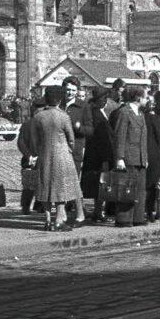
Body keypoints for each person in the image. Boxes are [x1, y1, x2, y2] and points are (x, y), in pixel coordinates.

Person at [30, 86, 84, 231]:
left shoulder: (38, 116)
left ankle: (47, 220)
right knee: (61, 188)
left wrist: (37, 152)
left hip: (44, 155)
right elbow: (71, 138)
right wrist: (69, 149)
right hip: (62, 155)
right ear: (60, 100)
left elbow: (34, 139)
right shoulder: (63, 116)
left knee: (45, 187)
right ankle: (59, 220)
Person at [114, 86, 149, 227]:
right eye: (146, 97)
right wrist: (119, 157)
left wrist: (145, 157)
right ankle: (123, 219)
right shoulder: (124, 112)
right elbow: (120, 136)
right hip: (128, 157)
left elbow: (144, 138)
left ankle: (138, 218)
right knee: (126, 188)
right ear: (138, 98)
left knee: (140, 189)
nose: (147, 100)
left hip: (140, 158)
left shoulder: (141, 114)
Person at [80, 88, 115, 222]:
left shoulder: (97, 111)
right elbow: (102, 137)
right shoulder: (95, 113)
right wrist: (106, 158)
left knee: (98, 184)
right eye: (103, 99)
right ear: (98, 100)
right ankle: (98, 212)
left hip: (96, 154)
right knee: (100, 184)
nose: (105, 102)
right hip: (98, 155)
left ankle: (97, 211)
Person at [62, 77, 93, 221]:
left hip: (75, 149)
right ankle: (63, 213)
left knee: (73, 180)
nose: (70, 93)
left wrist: (80, 128)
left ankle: (79, 212)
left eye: (73, 90)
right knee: (60, 181)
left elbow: (90, 130)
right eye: (68, 89)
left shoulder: (83, 106)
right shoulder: (59, 104)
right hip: (59, 148)